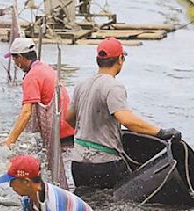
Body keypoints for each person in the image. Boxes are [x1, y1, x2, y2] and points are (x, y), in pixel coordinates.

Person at [66, 37, 182, 189]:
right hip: (105, 163)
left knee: (88, 206)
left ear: (97, 60)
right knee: (115, 208)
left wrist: (89, 130)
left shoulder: (81, 85)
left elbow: (68, 118)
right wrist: (161, 132)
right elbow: (127, 120)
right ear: (120, 59)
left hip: (78, 163)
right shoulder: (113, 87)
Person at [0, 37, 75, 148]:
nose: (15, 63)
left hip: (58, 134)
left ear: (20, 57)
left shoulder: (32, 76)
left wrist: (11, 140)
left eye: (14, 59)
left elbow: (26, 113)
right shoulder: (46, 68)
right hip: (69, 128)